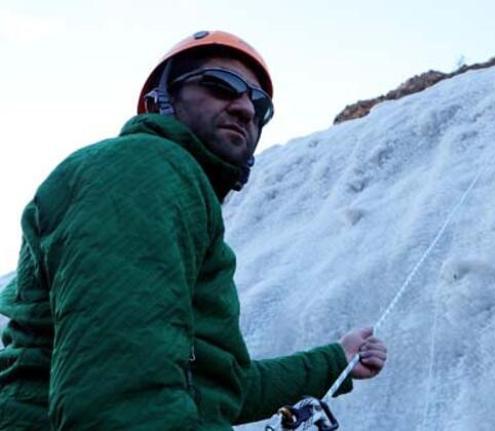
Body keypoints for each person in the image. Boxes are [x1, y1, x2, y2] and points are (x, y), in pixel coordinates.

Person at [0, 30, 387, 430]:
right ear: (159, 103)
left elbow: (220, 386)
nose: (245, 109)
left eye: (259, 105)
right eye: (221, 86)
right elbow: (122, 390)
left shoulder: (177, 193)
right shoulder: (140, 166)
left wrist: (336, 360)